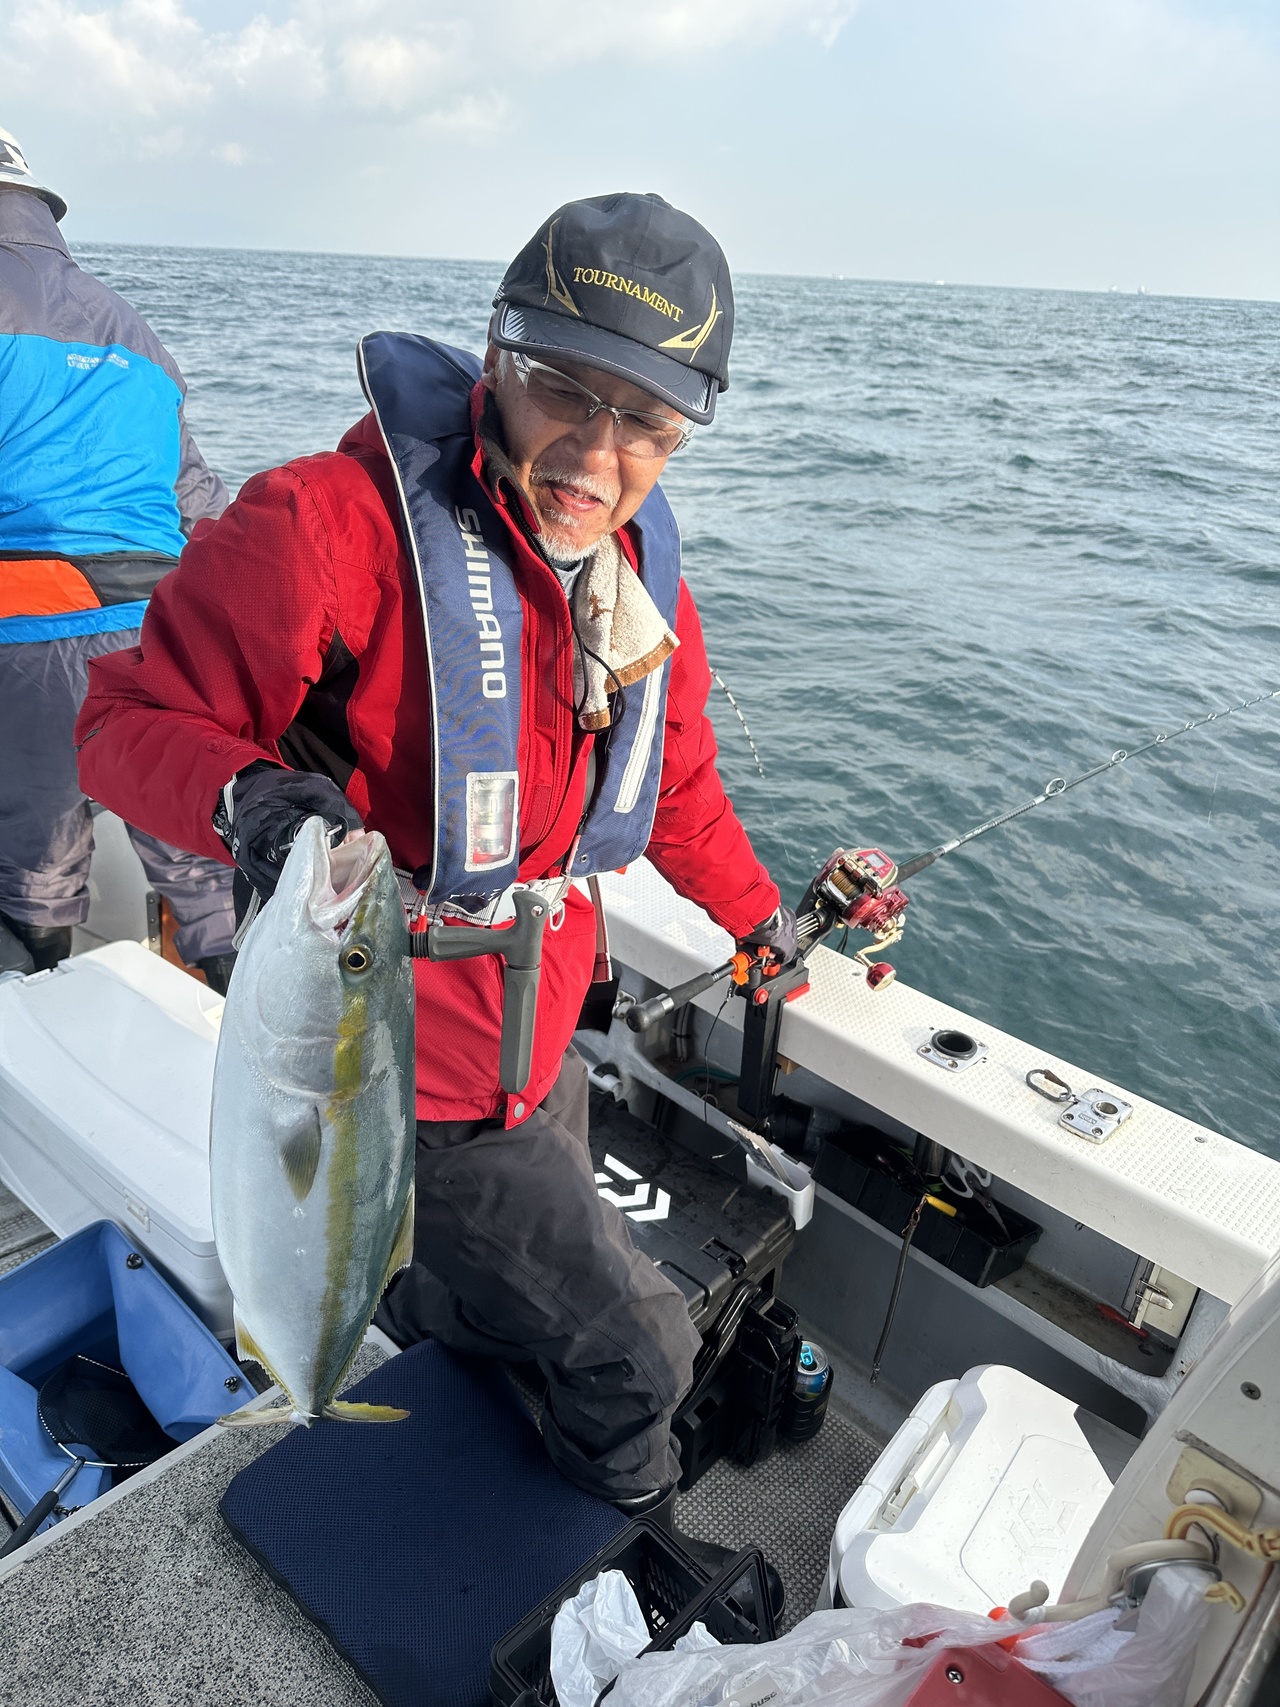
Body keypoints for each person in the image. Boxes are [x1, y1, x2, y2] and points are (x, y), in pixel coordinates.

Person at [76, 193, 798, 1542]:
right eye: (564, 389)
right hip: (396, 1062)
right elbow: (120, 724)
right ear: (497, 353)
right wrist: (249, 795)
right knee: (638, 1355)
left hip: (547, 1036)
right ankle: (624, 1550)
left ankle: (423, 1316)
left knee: (486, 1283)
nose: (597, 454)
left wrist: (760, 923)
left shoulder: (635, 578)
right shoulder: (320, 526)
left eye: (647, 422)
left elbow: (672, 785)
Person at [0, 126, 238, 989]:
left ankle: (35, 1007)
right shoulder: (127, 324)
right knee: (199, 865)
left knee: (32, 872)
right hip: (156, 633)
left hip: (26, 636)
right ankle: (239, 1007)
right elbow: (200, 503)